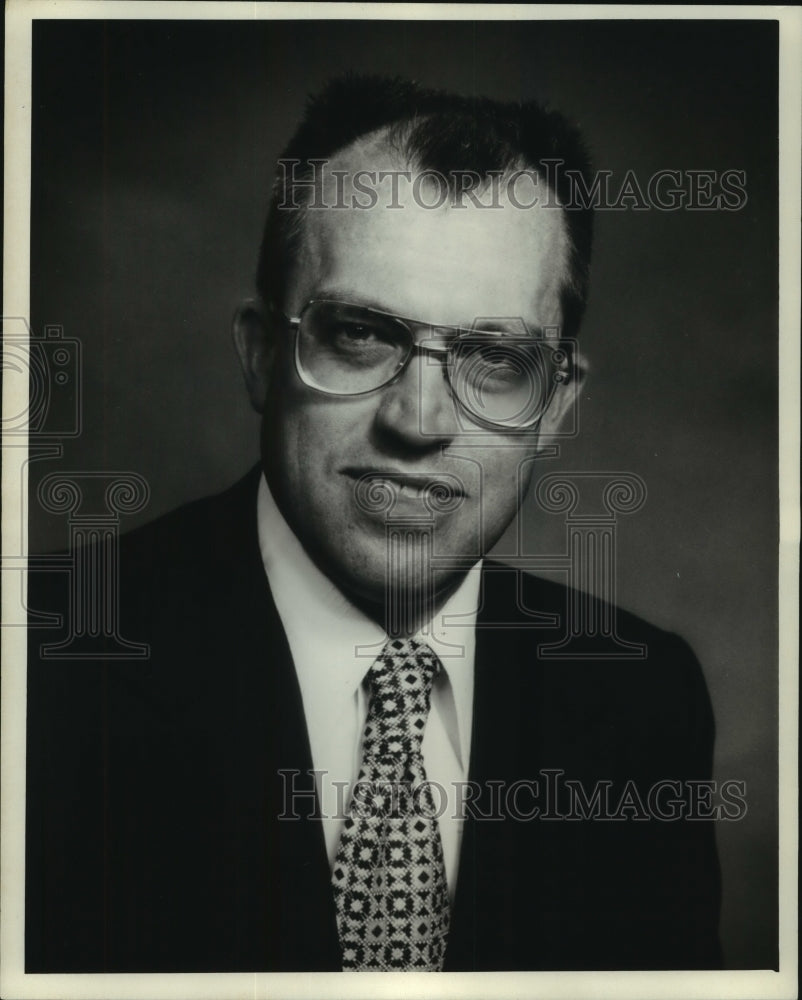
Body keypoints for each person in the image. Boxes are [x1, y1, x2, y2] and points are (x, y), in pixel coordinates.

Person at [25, 75, 721, 973]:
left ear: (555, 404)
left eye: (496, 356)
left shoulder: (641, 704)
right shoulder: (41, 665)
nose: (420, 420)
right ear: (262, 354)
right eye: (361, 333)